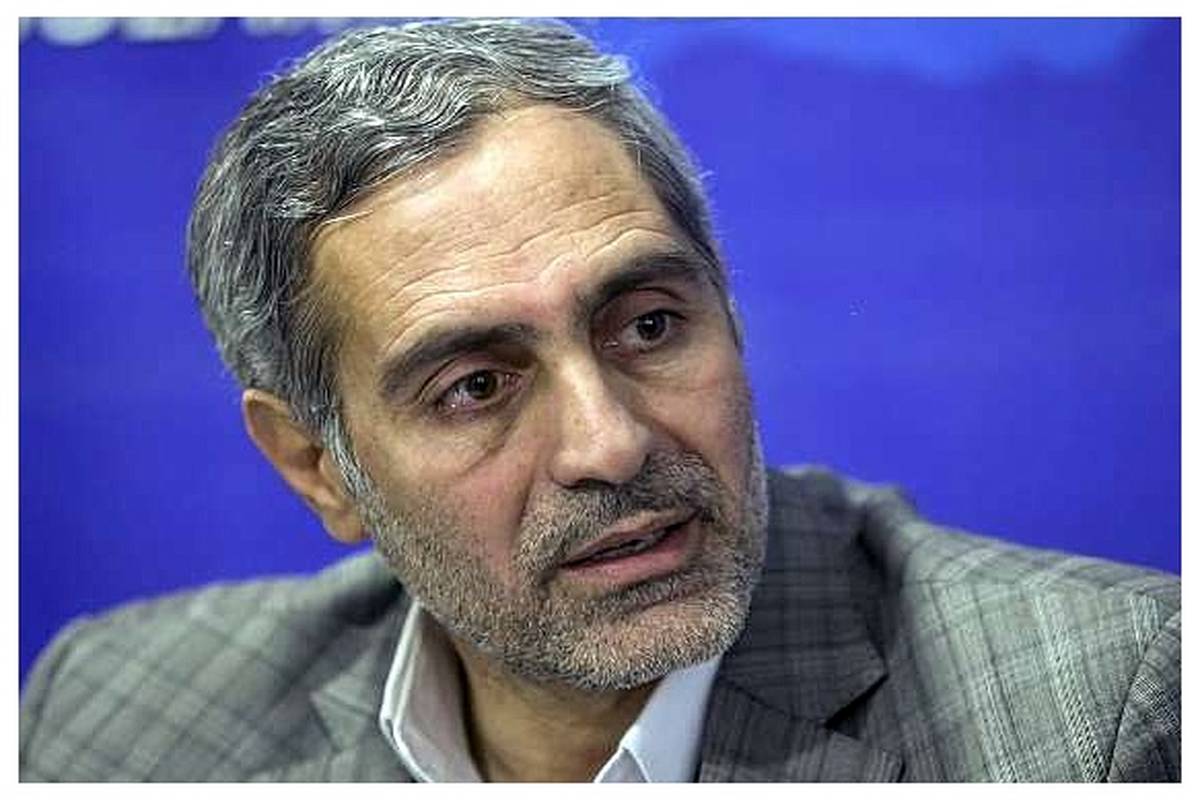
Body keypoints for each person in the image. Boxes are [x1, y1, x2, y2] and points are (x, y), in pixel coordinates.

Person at [19, 19, 1179, 783]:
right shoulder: (113, 716)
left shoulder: (1101, 715)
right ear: (318, 464)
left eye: (650, 325)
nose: (610, 443)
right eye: (476, 385)